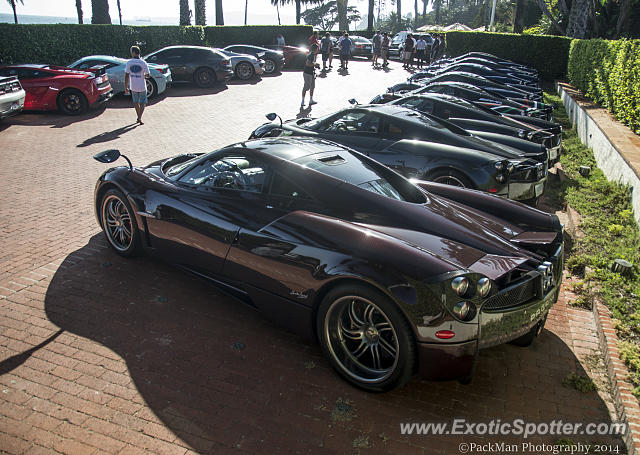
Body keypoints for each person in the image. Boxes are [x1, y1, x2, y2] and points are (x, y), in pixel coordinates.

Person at [124, 45, 150, 125]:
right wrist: (143, 75)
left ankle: (138, 116)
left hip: (133, 86)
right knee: (143, 102)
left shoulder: (129, 62)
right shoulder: (143, 62)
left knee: (135, 102)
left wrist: (126, 86)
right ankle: (139, 117)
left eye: (131, 52)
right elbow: (148, 75)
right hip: (142, 86)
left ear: (134, 52)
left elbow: (127, 75)